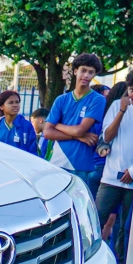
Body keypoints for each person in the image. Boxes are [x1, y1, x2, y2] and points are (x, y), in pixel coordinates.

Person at [96, 66, 133, 264]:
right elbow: (107, 137)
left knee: (127, 228)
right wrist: (121, 111)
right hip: (111, 177)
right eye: (132, 89)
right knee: (97, 220)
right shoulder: (117, 106)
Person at [44, 53, 108, 195]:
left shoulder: (97, 100)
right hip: (57, 160)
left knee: (77, 205)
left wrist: (57, 125)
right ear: (75, 71)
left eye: (90, 72)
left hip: (81, 164)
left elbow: (80, 130)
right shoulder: (61, 99)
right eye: (83, 70)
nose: (86, 75)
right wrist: (77, 137)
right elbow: (47, 132)